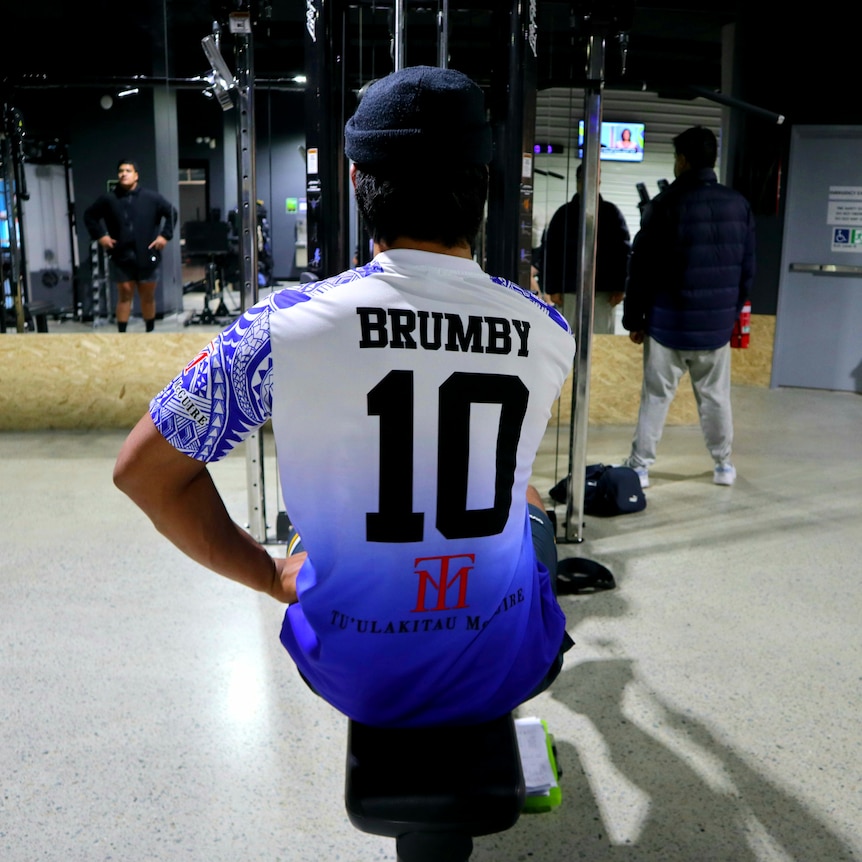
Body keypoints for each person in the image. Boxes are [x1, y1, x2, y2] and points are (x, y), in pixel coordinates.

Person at [113, 66, 576, 729]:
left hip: (355, 670)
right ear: (484, 187)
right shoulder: (549, 330)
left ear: (357, 183)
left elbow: (143, 472)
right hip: (505, 664)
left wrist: (271, 575)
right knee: (526, 496)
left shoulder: (280, 329)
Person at [621, 126, 755, 488]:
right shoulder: (738, 204)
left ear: (682, 160)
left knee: (656, 397)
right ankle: (723, 466)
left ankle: (640, 467)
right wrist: (729, 314)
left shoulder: (662, 205)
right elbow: (747, 270)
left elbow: (641, 268)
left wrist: (635, 318)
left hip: (666, 324)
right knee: (715, 398)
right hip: (714, 328)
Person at [83, 160, 176, 332]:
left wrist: (165, 236)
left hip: (147, 254)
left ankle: (150, 331)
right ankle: (122, 335)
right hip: (122, 255)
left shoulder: (151, 198)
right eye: (120, 171)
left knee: (147, 296)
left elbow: (171, 212)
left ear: (136, 175)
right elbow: (89, 216)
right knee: (125, 294)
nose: (123, 174)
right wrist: (101, 236)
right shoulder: (109, 198)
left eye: (128, 170)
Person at [541, 162, 631, 334]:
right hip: (569, 291)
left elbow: (623, 253)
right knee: (567, 339)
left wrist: (621, 288)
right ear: (578, 181)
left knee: (601, 342)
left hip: (603, 293)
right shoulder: (563, 214)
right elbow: (551, 252)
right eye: (585, 179)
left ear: (599, 182)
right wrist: (552, 288)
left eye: (595, 179)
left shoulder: (611, 213)